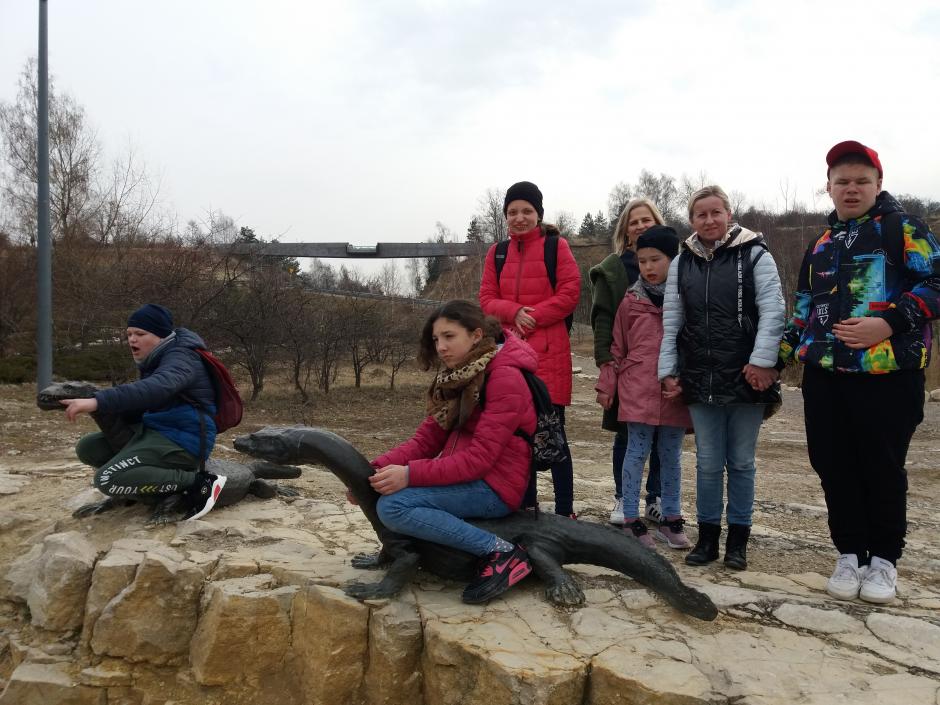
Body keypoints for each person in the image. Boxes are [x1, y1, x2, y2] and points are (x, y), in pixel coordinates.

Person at [777, 141, 940, 603]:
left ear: (878, 184)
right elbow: (804, 309)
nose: (851, 189)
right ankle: (850, 553)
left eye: (861, 181)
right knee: (833, 466)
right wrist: (773, 358)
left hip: (889, 375)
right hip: (825, 377)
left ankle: (884, 560)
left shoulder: (903, 228)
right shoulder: (820, 245)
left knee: (882, 467)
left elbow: (936, 282)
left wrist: (889, 322)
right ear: (829, 187)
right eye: (842, 181)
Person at [369, 300, 537, 604]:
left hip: (496, 486)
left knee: (393, 506)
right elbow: (425, 442)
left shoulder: (504, 378)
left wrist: (409, 475)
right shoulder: (460, 377)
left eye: (449, 336)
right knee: (383, 491)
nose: (441, 347)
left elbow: (479, 459)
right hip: (468, 478)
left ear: (476, 335)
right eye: (436, 339)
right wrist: (369, 471)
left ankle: (501, 552)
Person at [659, 186, 785, 570]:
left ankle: (738, 542)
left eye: (716, 212)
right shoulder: (682, 263)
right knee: (708, 462)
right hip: (700, 375)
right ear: (692, 220)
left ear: (729, 214)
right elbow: (672, 321)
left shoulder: (755, 254)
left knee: (742, 462)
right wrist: (669, 370)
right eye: (701, 214)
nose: (710, 220)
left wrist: (763, 362)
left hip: (747, 375)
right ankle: (708, 538)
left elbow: (773, 311)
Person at [61, 304, 226, 521]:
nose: (132, 339)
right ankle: (138, 493)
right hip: (159, 430)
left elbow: (158, 387)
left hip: (185, 439)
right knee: (88, 448)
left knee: (107, 479)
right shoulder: (156, 357)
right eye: (129, 334)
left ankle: (199, 482)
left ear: (160, 335)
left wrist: (98, 401)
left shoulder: (182, 357)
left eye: (140, 334)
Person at [479, 181, 581, 517]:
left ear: (538, 214)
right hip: (508, 356)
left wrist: (531, 316)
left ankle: (565, 511)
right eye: (512, 212)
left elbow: (570, 293)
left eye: (526, 211)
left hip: (549, 355)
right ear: (505, 216)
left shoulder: (556, 246)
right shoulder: (497, 253)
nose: (519, 217)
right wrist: (514, 313)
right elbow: (487, 300)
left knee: (555, 435)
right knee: (519, 437)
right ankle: (526, 508)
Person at [596, 225, 691, 549]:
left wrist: (686, 380)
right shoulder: (630, 301)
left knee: (671, 456)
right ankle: (631, 519)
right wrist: (607, 385)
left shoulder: (686, 298)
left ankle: (671, 517)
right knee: (636, 453)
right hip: (637, 390)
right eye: (642, 260)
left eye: (656, 259)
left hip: (673, 392)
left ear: (673, 259)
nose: (648, 267)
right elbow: (617, 348)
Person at [591, 197, 666, 526]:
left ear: (657, 222)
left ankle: (656, 498)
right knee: (626, 435)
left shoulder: (676, 263)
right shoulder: (612, 269)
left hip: (665, 364)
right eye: (633, 222)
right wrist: (606, 361)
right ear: (625, 230)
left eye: (646, 220)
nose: (640, 226)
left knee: (664, 434)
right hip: (627, 367)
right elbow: (602, 319)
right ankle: (624, 497)